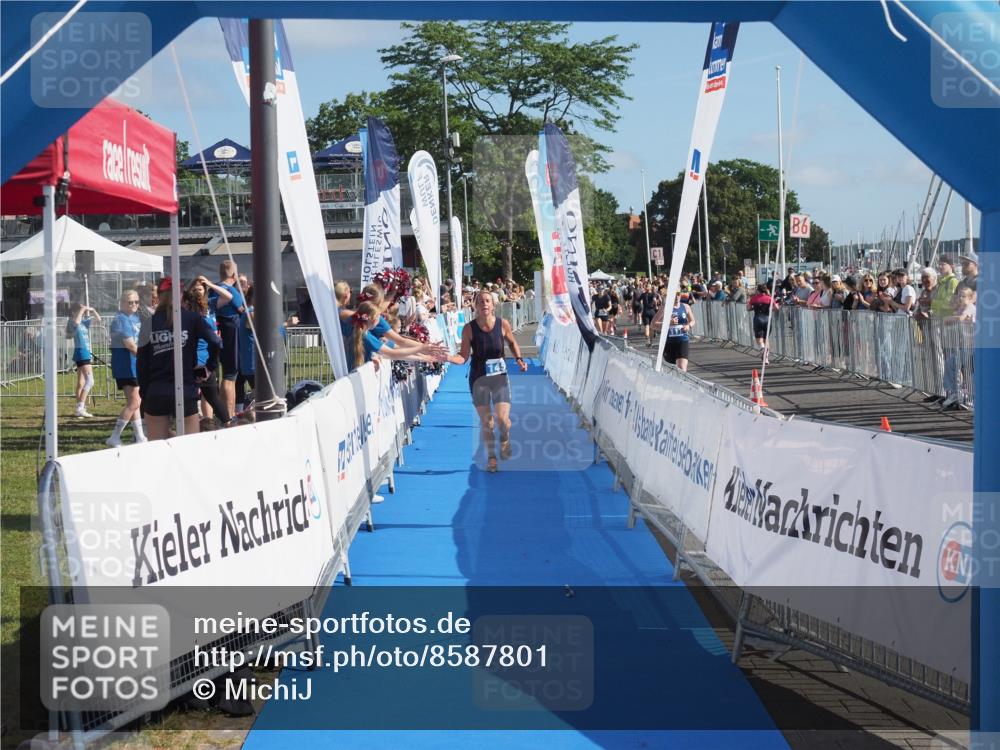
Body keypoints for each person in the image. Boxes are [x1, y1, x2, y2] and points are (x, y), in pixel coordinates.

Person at [447, 290, 528, 473]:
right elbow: (463, 356)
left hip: (499, 378)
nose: (484, 304)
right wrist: (449, 358)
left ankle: (505, 439)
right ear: (475, 306)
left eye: (487, 301)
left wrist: (519, 359)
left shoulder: (502, 324)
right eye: (481, 301)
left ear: (493, 305)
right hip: (479, 379)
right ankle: (492, 458)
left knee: (502, 420)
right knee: (487, 422)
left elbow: (512, 343)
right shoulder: (469, 329)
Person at [136, 277, 221, 440]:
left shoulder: (149, 323)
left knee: (158, 447)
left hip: (157, 390)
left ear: (159, 296)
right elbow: (216, 341)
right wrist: (209, 367)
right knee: (189, 447)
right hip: (185, 389)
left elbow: (142, 363)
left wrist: (145, 393)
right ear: (181, 294)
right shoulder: (192, 318)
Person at [346, 301, 444, 372]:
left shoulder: (360, 332)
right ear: (374, 320)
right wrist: (421, 348)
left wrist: (423, 357)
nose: (380, 320)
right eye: (379, 318)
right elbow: (393, 353)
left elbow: (391, 353)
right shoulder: (367, 336)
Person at [185, 279, 230, 428]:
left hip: (206, 359)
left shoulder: (209, 305)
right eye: (195, 289)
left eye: (200, 289)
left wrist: (210, 284)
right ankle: (222, 423)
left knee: (208, 396)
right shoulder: (189, 311)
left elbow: (228, 297)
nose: (198, 292)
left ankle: (209, 423)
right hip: (199, 360)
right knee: (210, 396)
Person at [107, 291, 146, 446]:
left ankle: (140, 436)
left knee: (135, 401)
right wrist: (146, 359)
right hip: (126, 365)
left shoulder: (134, 318)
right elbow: (130, 345)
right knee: (135, 401)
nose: (134, 305)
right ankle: (114, 436)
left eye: (136, 301)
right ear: (122, 303)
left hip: (134, 364)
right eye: (130, 302)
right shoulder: (120, 319)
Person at [208, 260, 246, 422]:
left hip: (219, 332)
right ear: (234, 275)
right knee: (230, 375)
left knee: (226, 374)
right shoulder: (230, 290)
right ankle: (229, 416)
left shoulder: (213, 290)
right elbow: (242, 309)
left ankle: (225, 415)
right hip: (231, 332)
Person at [67, 302, 101, 417]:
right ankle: (80, 407)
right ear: (74, 312)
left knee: (81, 382)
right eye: (80, 310)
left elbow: (98, 319)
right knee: (90, 381)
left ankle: (79, 407)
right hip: (82, 353)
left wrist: (92, 310)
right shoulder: (72, 321)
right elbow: (76, 323)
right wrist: (82, 309)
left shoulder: (83, 322)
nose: (82, 312)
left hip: (84, 352)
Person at [662, 292, 696, 372]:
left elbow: (693, 320)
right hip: (669, 342)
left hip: (682, 340)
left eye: (678, 294)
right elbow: (653, 324)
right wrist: (668, 323)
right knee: (671, 370)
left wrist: (688, 326)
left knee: (682, 368)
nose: (677, 297)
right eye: (674, 295)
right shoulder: (665, 308)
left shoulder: (686, 307)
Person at [748, 283, 778, 364]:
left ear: (758, 290)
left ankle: (762, 348)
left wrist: (753, 307)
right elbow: (776, 308)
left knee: (759, 340)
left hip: (758, 319)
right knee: (766, 339)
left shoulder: (754, 298)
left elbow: (748, 308)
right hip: (767, 320)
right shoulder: (770, 298)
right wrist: (771, 309)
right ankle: (766, 359)